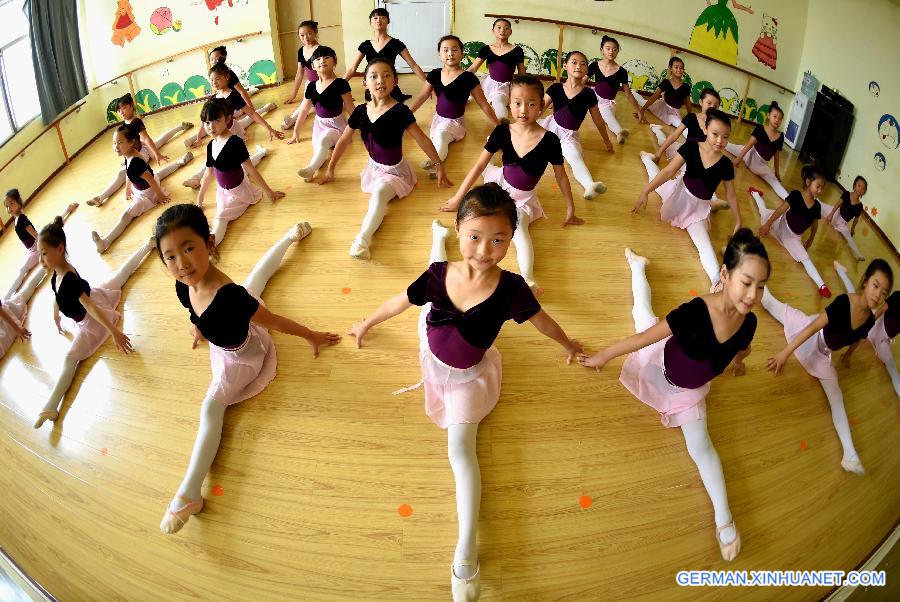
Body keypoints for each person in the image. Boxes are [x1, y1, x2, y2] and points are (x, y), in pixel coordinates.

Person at [348, 184, 581, 599]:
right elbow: (400, 301)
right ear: (460, 231)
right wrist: (365, 323)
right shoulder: (441, 275)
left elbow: (543, 322)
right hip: (431, 347)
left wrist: (569, 344)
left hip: (469, 374)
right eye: (474, 237)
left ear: (511, 239)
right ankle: (434, 240)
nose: (484, 250)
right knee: (427, 291)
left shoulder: (511, 289)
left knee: (461, 453)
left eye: (498, 240)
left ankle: (465, 552)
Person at [578, 228, 770, 561]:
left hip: (689, 393)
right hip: (658, 363)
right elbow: (644, 339)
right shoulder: (695, 311)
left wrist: (739, 362)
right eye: (747, 281)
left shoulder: (748, 322)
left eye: (762, 286)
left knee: (703, 448)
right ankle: (638, 266)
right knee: (642, 314)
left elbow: (744, 345)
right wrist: (603, 356)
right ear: (725, 274)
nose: (753, 294)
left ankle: (724, 520)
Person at [154, 204, 340, 534]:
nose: (181, 263)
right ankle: (289, 236)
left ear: (210, 244)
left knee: (211, 408)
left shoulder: (229, 297)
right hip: (222, 339)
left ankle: (189, 493)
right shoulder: (184, 285)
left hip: (243, 356)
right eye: (170, 256)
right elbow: (193, 309)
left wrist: (311, 336)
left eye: (188, 248)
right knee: (256, 280)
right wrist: (197, 326)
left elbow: (277, 322)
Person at [763, 259, 893, 475]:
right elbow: (813, 327)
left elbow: (858, 339)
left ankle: (849, 455)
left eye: (884, 292)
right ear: (865, 281)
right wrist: (784, 354)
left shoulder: (870, 319)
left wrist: (849, 356)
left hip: (824, 356)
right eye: (876, 285)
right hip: (810, 333)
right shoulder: (844, 303)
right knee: (769, 303)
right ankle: (746, 268)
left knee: (837, 398)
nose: (878, 295)